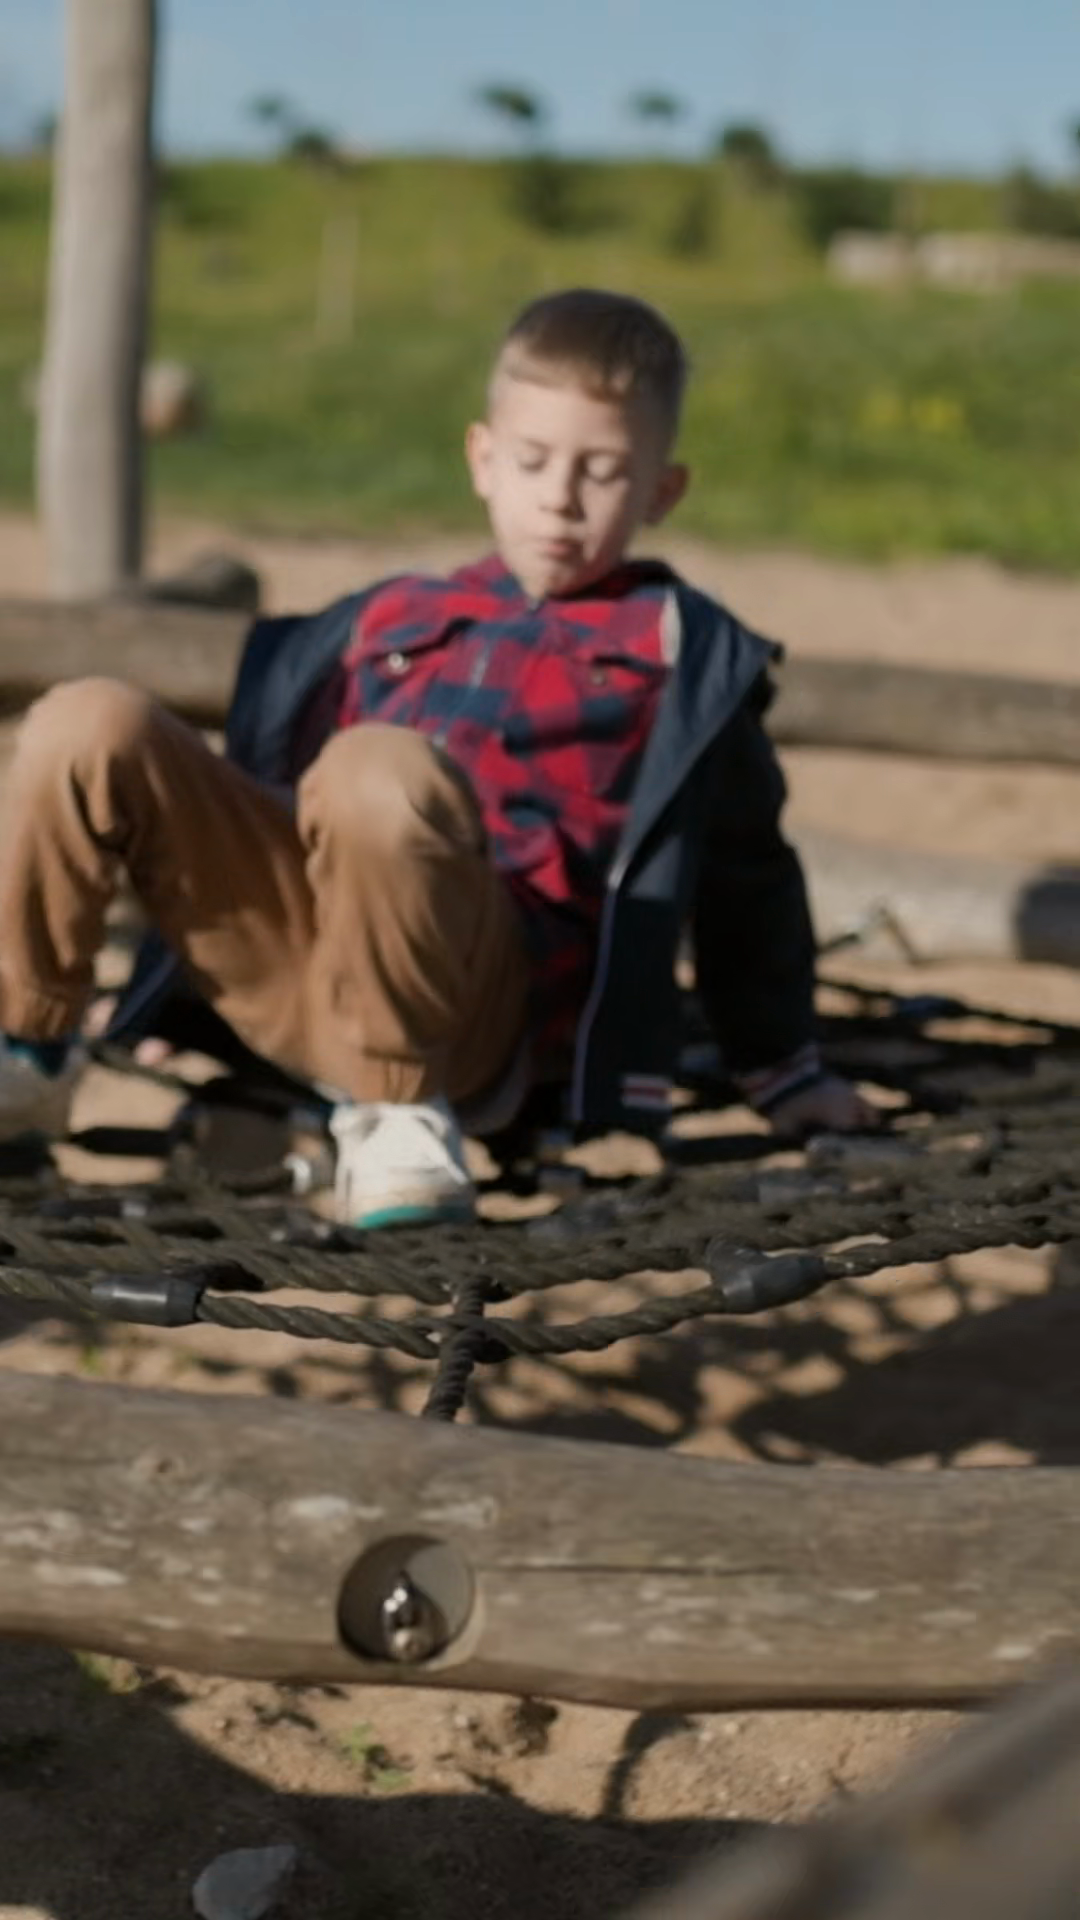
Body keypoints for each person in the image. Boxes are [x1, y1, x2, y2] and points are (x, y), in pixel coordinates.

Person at [0, 288, 874, 1227]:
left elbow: (747, 874)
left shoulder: (680, 653)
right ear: (483, 460)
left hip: (476, 1003)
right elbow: (260, 795)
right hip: (311, 956)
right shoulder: (387, 617)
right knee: (88, 721)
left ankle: (398, 1110)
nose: (561, 498)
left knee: (381, 771)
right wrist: (175, 993)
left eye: (604, 471)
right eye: (533, 461)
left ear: (662, 491)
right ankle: (29, 1050)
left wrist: (784, 1069)